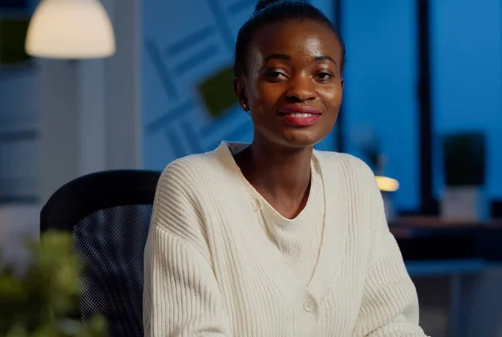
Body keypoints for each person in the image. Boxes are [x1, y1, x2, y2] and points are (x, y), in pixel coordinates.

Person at [143, 0, 427, 336]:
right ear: (243, 91)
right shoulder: (192, 185)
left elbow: (391, 325)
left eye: (322, 74)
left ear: (339, 89)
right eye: (276, 74)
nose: (302, 91)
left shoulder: (355, 181)